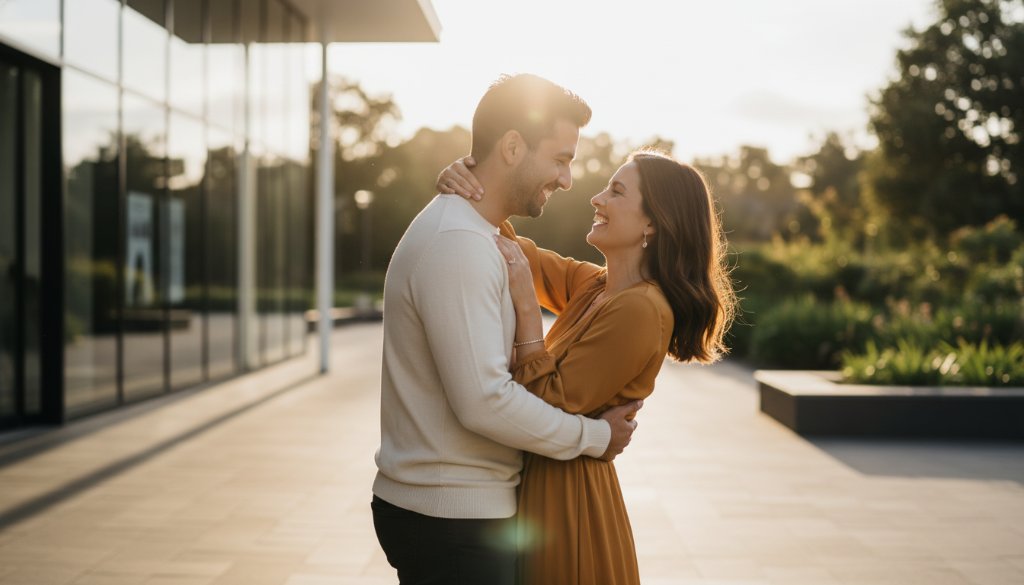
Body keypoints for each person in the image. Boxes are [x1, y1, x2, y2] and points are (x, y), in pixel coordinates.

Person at [371, 73, 643, 585]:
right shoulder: (459, 243)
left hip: (456, 513)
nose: (567, 180)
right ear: (514, 147)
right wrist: (596, 436)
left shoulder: (477, 233)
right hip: (449, 520)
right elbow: (484, 401)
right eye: (561, 159)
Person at [436, 148, 737, 584]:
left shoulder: (642, 310)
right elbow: (515, 251)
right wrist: (466, 179)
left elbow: (546, 399)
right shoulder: (597, 285)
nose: (596, 198)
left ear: (652, 222)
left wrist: (526, 306)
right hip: (543, 487)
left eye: (615, 191)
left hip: (569, 505)